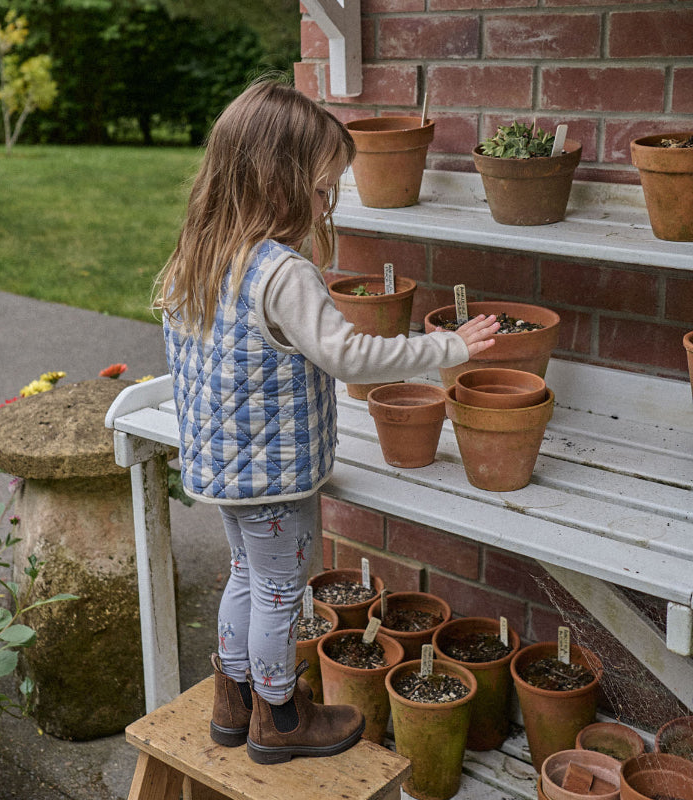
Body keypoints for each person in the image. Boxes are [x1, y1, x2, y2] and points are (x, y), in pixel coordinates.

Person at [157, 78, 499, 765]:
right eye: (319, 191)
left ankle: (233, 702)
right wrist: (449, 348)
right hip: (276, 481)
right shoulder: (282, 273)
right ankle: (279, 719)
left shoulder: (199, 251)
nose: (325, 205)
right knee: (282, 593)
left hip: (220, 470)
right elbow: (347, 355)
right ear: (273, 181)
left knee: (245, 580)